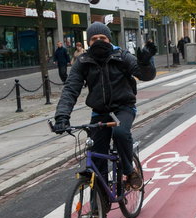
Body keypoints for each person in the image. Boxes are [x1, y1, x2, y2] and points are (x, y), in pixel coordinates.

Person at [52, 22, 156, 190]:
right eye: (94, 38)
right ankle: (98, 204)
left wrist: (145, 63)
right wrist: (62, 116)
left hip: (123, 108)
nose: (98, 41)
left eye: (102, 38)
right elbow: (70, 89)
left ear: (109, 39)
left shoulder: (122, 56)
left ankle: (129, 172)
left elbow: (145, 75)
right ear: (88, 42)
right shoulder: (83, 61)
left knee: (120, 132)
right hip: (99, 111)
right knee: (96, 156)